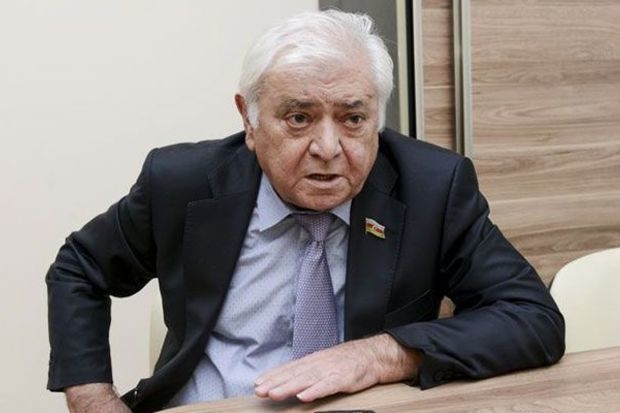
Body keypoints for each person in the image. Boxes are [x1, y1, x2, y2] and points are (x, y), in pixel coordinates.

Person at [46, 9, 565, 413]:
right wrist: (93, 399)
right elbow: (79, 268)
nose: (328, 148)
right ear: (249, 120)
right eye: (299, 118)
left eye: (353, 119)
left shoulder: (432, 189)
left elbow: (533, 318)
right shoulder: (181, 183)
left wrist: (382, 354)